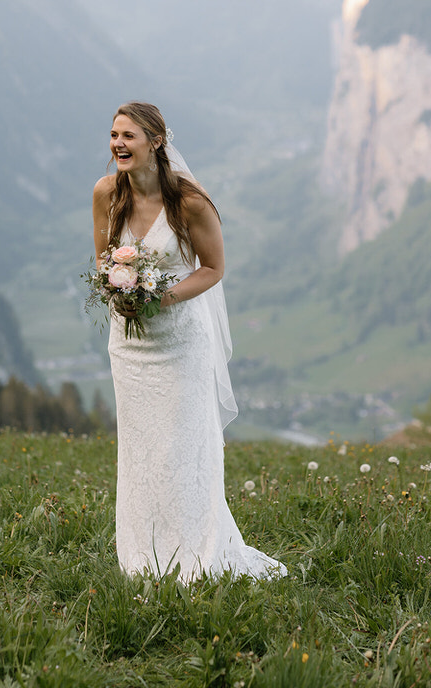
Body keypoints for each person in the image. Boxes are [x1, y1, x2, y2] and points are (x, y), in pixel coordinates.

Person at [93, 101, 286, 583]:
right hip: (131, 346)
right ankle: (143, 555)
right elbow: (101, 260)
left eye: (128, 136)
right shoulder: (104, 193)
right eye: (114, 135)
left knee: (182, 449)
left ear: (156, 141)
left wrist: (162, 298)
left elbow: (214, 269)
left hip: (180, 344)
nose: (118, 144)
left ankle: (196, 556)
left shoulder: (190, 201)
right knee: (140, 452)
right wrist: (117, 292)